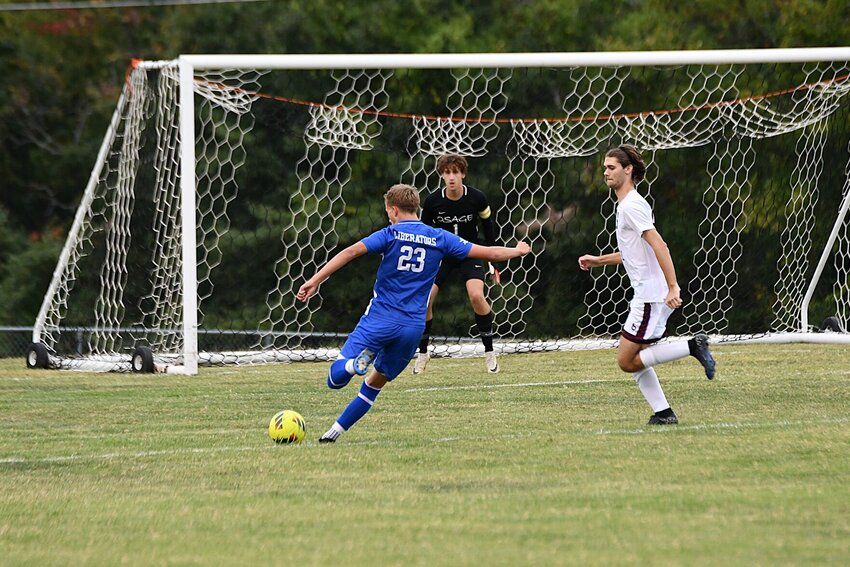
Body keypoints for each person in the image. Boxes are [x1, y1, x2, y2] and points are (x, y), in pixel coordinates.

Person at [296, 184, 531, 443]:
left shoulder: (391, 234)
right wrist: (518, 251)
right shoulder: (439, 237)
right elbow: (489, 252)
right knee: (373, 387)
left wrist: (315, 280)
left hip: (380, 319)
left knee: (335, 379)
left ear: (394, 210)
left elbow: (351, 251)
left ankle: (355, 364)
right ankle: (332, 435)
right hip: (412, 329)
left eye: (388, 212)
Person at [578, 144, 715, 426]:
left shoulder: (632, 205)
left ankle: (693, 345)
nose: (606, 172)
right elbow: (634, 252)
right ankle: (664, 413)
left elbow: (659, 245)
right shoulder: (627, 205)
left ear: (628, 170)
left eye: (611, 167)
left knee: (626, 361)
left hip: (651, 297)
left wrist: (673, 287)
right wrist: (599, 260)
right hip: (649, 294)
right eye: (605, 167)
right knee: (636, 358)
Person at [415, 154, 502, 374]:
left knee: (476, 296)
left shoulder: (477, 198)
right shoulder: (432, 202)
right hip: (441, 255)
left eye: (455, 172)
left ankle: (489, 352)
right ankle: (423, 353)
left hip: (469, 252)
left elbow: (488, 225)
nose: (451, 177)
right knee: (425, 301)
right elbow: (424, 234)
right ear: (441, 175)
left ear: (463, 173)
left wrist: (493, 261)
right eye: (447, 172)